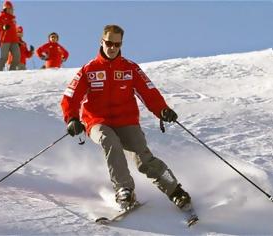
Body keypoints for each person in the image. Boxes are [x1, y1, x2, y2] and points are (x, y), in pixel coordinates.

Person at [61, 25, 192, 211]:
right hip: (97, 121)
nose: (112, 47)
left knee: (143, 159)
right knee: (109, 140)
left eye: (117, 44)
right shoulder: (89, 70)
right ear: (101, 42)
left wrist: (162, 110)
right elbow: (70, 97)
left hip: (126, 121)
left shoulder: (130, 69)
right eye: (109, 43)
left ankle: (176, 191)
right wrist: (72, 118)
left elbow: (148, 92)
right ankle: (124, 189)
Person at [0, 0, 20, 71]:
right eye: (10, 9)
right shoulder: (1, 16)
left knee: (17, 56)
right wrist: (3, 27)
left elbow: (14, 31)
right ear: (6, 9)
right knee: (4, 57)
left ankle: (12, 71)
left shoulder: (13, 19)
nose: (12, 10)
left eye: (12, 9)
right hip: (5, 40)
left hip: (14, 40)